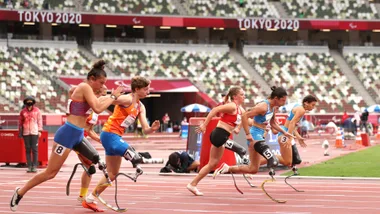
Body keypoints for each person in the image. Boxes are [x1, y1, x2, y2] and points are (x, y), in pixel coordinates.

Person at [10, 60, 124, 212]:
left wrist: (111, 96)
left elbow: (91, 100)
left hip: (78, 135)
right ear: (92, 79)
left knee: (93, 164)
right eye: (101, 82)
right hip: (67, 135)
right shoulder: (84, 87)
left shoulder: (86, 89)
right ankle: (20, 192)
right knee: (50, 173)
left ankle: (87, 198)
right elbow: (97, 108)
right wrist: (114, 96)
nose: (103, 86)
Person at [82, 76, 160, 207]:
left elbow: (145, 129)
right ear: (136, 89)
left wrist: (152, 129)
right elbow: (102, 99)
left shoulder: (141, 107)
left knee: (112, 174)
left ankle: (90, 199)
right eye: (145, 89)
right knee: (134, 156)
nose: (148, 91)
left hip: (116, 137)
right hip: (109, 134)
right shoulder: (127, 99)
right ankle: (137, 161)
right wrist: (101, 102)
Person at [213, 86, 292, 177]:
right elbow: (244, 116)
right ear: (275, 98)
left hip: (260, 136)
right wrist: (247, 134)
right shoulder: (263, 106)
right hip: (255, 136)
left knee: (253, 169)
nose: (284, 102)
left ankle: (228, 168)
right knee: (273, 160)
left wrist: (284, 132)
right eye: (283, 100)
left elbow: (273, 123)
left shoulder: (273, 107)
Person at [186, 86, 246, 196]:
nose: (244, 96)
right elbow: (215, 110)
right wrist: (204, 125)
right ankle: (239, 168)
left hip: (222, 137)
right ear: (235, 96)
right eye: (242, 94)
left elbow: (247, 119)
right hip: (219, 135)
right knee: (241, 150)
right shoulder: (232, 106)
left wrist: (262, 125)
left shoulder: (240, 109)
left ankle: (192, 184)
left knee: (212, 163)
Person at [67, 85, 108, 212]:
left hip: (82, 140)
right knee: (90, 166)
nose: (103, 97)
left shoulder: (95, 112)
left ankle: (82, 195)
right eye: (102, 94)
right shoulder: (85, 105)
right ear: (95, 92)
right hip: (74, 138)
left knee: (90, 168)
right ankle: (82, 196)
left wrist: (101, 140)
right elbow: (71, 92)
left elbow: (89, 131)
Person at [271, 95, 317, 167]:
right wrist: (289, 137)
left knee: (287, 162)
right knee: (287, 162)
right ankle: (266, 155)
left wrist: (298, 137)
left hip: (284, 133)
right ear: (306, 103)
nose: (313, 107)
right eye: (312, 105)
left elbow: (293, 126)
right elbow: (292, 123)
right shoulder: (301, 110)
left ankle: (267, 155)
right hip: (285, 134)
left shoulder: (298, 106)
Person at [18, 96, 43, 173]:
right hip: (26, 133)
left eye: (30, 101)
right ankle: (29, 166)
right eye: (27, 101)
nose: (29, 102)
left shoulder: (37, 111)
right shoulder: (23, 112)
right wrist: (20, 132)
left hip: (34, 132)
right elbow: (20, 122)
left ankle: (34, 166)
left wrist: (39, 131)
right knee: (28, 150)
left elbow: (40, 121)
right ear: (25, 102)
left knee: (35, 150)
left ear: (33, 102)